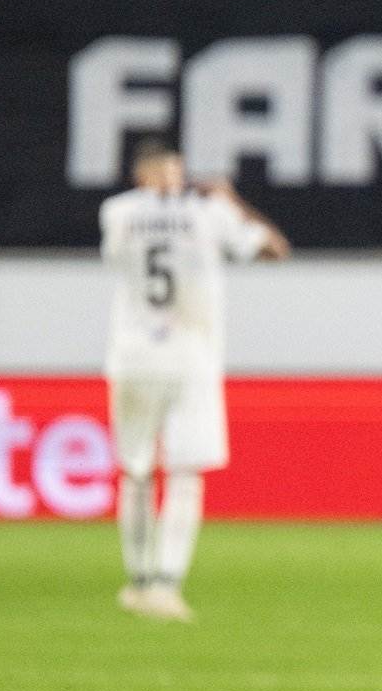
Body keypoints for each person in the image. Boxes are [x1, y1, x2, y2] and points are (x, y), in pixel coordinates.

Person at [99, 139, 291, 622]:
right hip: (191, 359)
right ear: (163, 173)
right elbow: (275, 249)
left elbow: (118, 256)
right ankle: (166, 585)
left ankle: (138, 582)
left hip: (133, 356)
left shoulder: (116, 212)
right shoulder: (208, 212)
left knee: (137, 471)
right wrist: (232, 201)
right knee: (185, 474)